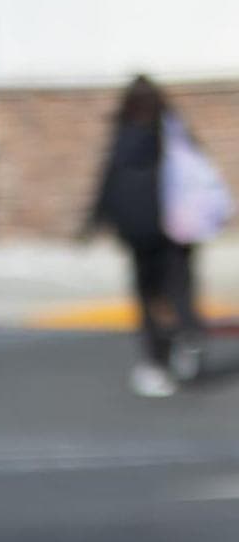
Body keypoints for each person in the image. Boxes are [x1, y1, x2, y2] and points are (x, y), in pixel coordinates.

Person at [85, 76, 223, 398]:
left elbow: (109, 180)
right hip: (178, 227)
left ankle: (157, 360)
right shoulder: (175, 132)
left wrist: (95, 222)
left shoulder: (126, 134)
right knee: (180, 286)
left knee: (150, 295)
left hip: (141, 232)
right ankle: (188, 337)